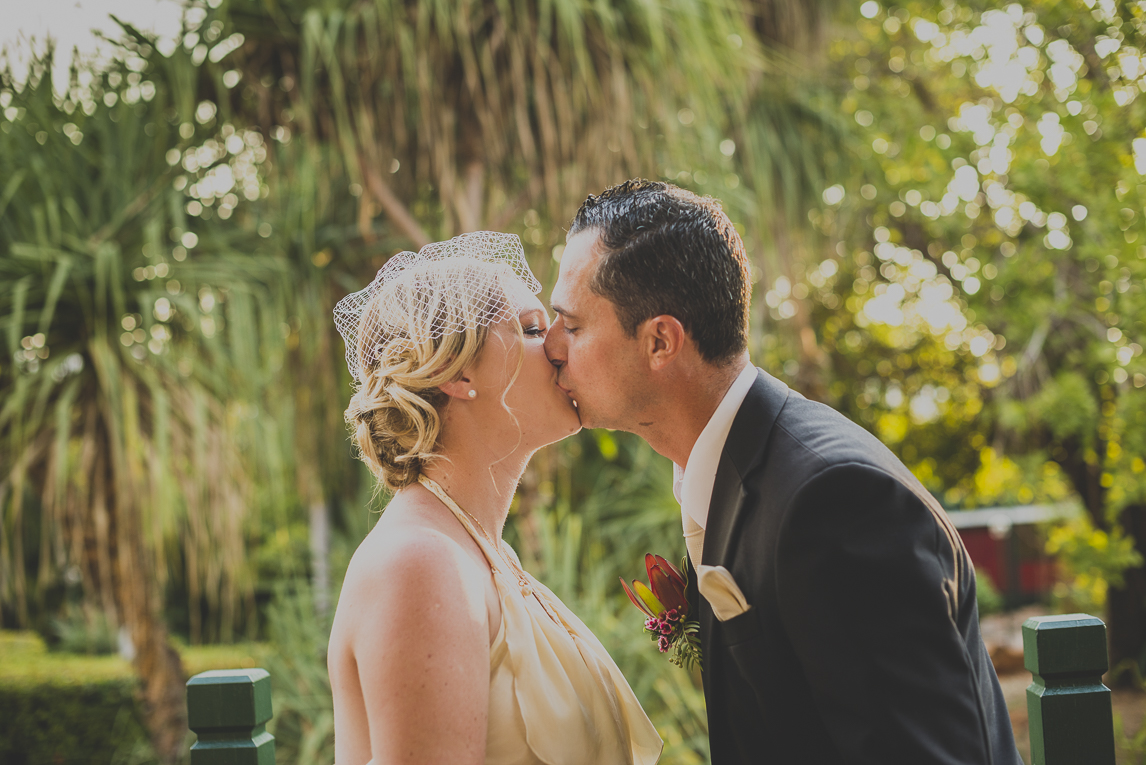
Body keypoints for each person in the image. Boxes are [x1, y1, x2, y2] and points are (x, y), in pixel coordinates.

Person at [544, 180, 1023, 765]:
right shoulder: (735, 471)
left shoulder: (835, 500)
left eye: (571, 326)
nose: (551, 346)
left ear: (660, 341)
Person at [327, 232, 662, 765]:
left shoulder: (486, 554)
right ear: (456, 373)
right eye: (531, 329)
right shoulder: (421, 564)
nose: (559, 346)